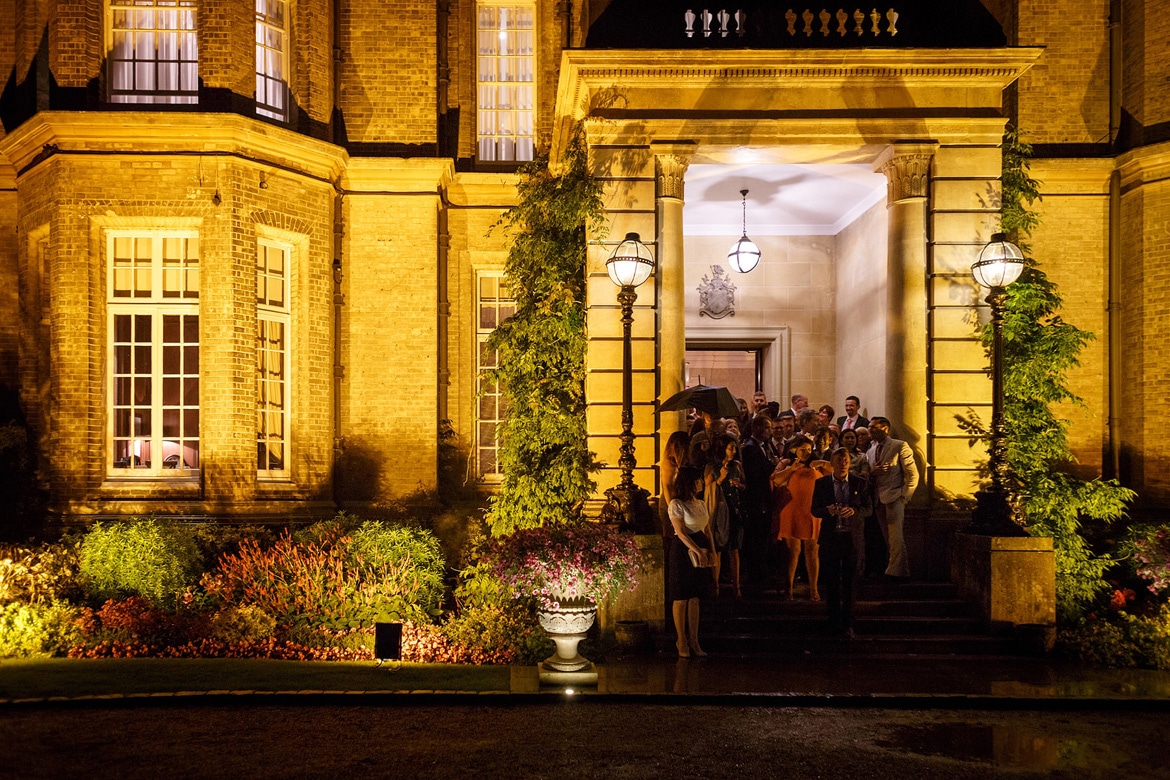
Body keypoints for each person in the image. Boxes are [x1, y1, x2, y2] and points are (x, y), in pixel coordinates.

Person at [811, 447, 867, 638]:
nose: (843, 463)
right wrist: (827, 510)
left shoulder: (860, 482)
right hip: (831, 538)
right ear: (832, 463)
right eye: (839, 460)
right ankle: (834, 622)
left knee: (851, 583)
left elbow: (868, 509)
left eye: (846, 460)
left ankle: (849, 623)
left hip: (852, 538)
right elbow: (814, 509)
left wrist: (854, 511)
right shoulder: (822, 483)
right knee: (832, 583)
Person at [771, 435, 831, 600]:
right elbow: (775, 480)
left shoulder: (816, 464)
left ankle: (813, 589)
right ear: (794, 449)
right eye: (802, 449)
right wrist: (792, 468)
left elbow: (836, 473)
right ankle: (789, 588)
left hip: (812, 512)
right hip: (793, 511)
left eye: (809, 449)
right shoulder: (786, 463)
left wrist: (823, 463)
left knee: (813, 551)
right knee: (793, 551)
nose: (806, 452)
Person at [667, 465, 715, 657]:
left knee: (695, 597)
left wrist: (711, 549)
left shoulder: (701, 503)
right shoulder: (676, 504)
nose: (701, 483)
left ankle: (694, 639)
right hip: (683, 551)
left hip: (701, 546)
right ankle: (681, 640)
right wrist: (697, 550)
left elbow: (707, 529)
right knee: (681, 596)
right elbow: (680, 532)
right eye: (698, 480)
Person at [867, 416, 919, 580]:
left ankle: (894, 572)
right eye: (869, 427)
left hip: (894, 496)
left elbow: (912, 474)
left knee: (895, 536)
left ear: (885, 428)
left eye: (874, 427)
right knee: (888, 537)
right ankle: (900, 570)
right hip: (878, 499)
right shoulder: (870, 450)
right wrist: (872, 473)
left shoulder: (899, 446)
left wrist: (904, 495)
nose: (870, 430)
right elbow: (870, 475)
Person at [739, 416, 777, 588]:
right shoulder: (750, 448)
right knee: (756, 540)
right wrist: (774, 467)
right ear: (757, 428)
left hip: (764, 499)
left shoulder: (765, 447)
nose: (770, 431)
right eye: (767, 427)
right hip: (757, 501)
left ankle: (762, 575)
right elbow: (755, 477)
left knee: (763, 540)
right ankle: (756, 577)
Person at [706, 433, 745, 598]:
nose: (734, 451)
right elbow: (706, 489)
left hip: (734, 509)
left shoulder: (736, 466)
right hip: (719, 511)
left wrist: (740, 485)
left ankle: (736, 586)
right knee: (719, 548)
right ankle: (715, 586)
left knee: (734, 549)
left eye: (735, 448)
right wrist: (720, 479)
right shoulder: (712, 467)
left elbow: (744, 485)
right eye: (731, 448)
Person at [839, 428, 873, 577]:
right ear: (841, 439)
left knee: (857, 541)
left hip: (855, 499)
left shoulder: (861, 456)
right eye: (847, 437)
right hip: (838, 499)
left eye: (852, 437)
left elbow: (864, 477)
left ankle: (858, 572)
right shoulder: (835, 455)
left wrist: (848, 476)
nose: (850, 440)